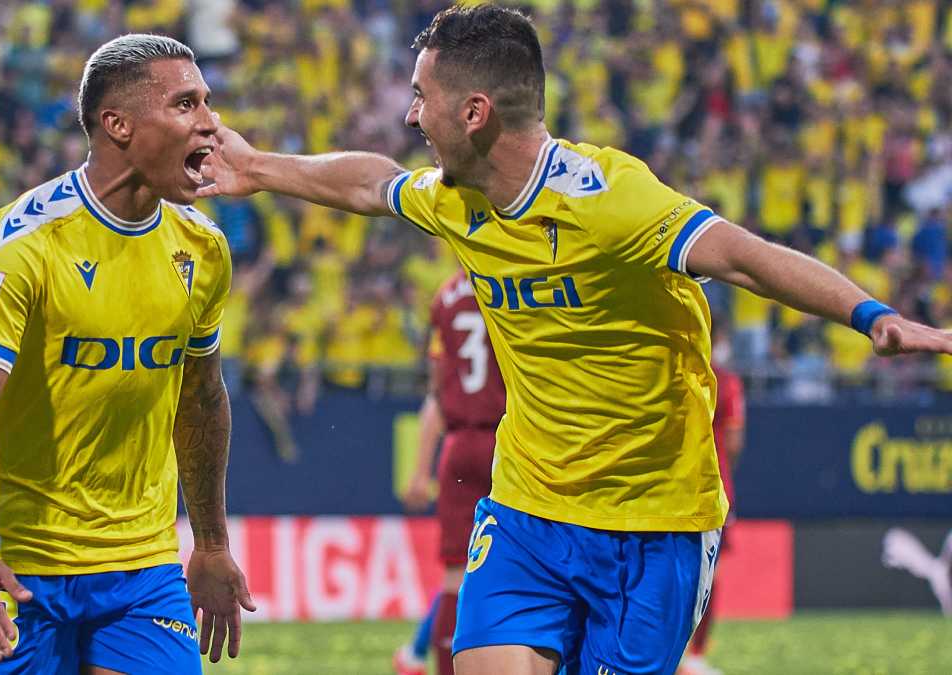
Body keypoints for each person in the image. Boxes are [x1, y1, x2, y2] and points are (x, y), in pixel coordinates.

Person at [199, 5, 952, 674]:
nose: (409, 116)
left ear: (475, 112)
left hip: (653, 524)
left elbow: (747, 257)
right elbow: (371, 183)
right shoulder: (458, 199)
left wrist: (871, 315)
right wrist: (259, 167)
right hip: (527, 510)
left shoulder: (613, 200)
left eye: (422, 97)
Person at [0, 34, 254, 674]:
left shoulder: (203, 247)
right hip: (25, 564)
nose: (210, 123)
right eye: (186, 104)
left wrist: (212, 543)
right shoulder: (22, 239)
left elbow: (200, 398)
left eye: (207, 103)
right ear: (119, 125)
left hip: (144, 564)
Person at [396, 269, 507, 675]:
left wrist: (419, 472)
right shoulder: (513, 281)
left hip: (459, 446)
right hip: (511, 443)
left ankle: (432, 660)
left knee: (455, 576)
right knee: (532, 570)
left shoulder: (444, 297)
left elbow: (437, 394)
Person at [681, 325, 746, 675]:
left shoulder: (674, 370)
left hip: (669, 485)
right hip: (713, 487)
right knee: (710, 573)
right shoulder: (727, 381)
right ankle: (696, 654)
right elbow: (734, 441)